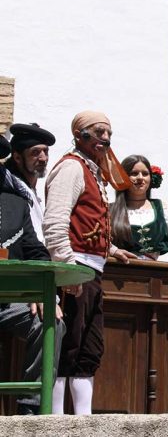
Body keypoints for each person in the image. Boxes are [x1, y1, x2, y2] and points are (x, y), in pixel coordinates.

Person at [43, 111, 136, 415]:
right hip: (75, 269)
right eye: (98, 132)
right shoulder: (71, 168)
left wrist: (111, 249)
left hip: (91, 270)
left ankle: (83, 422)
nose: (106, 139)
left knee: (89, 349)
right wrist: (67, 270)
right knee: (67, 348)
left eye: (108, 132)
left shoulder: (93, 171)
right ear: (79, 134)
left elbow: (86, 224)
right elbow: (56, 223)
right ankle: (54, 423)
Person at [0, 135, 65, 415]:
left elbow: (36, 252)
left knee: (49, 320)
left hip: (7, 301)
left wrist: (42, 292)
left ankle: (31, 409)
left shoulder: (15, 204)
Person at [4, 123, 56, 242]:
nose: (43, 158)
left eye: (45, 151)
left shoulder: (29, 191)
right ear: (17, 157)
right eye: (35, 152)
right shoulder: (13, 188)